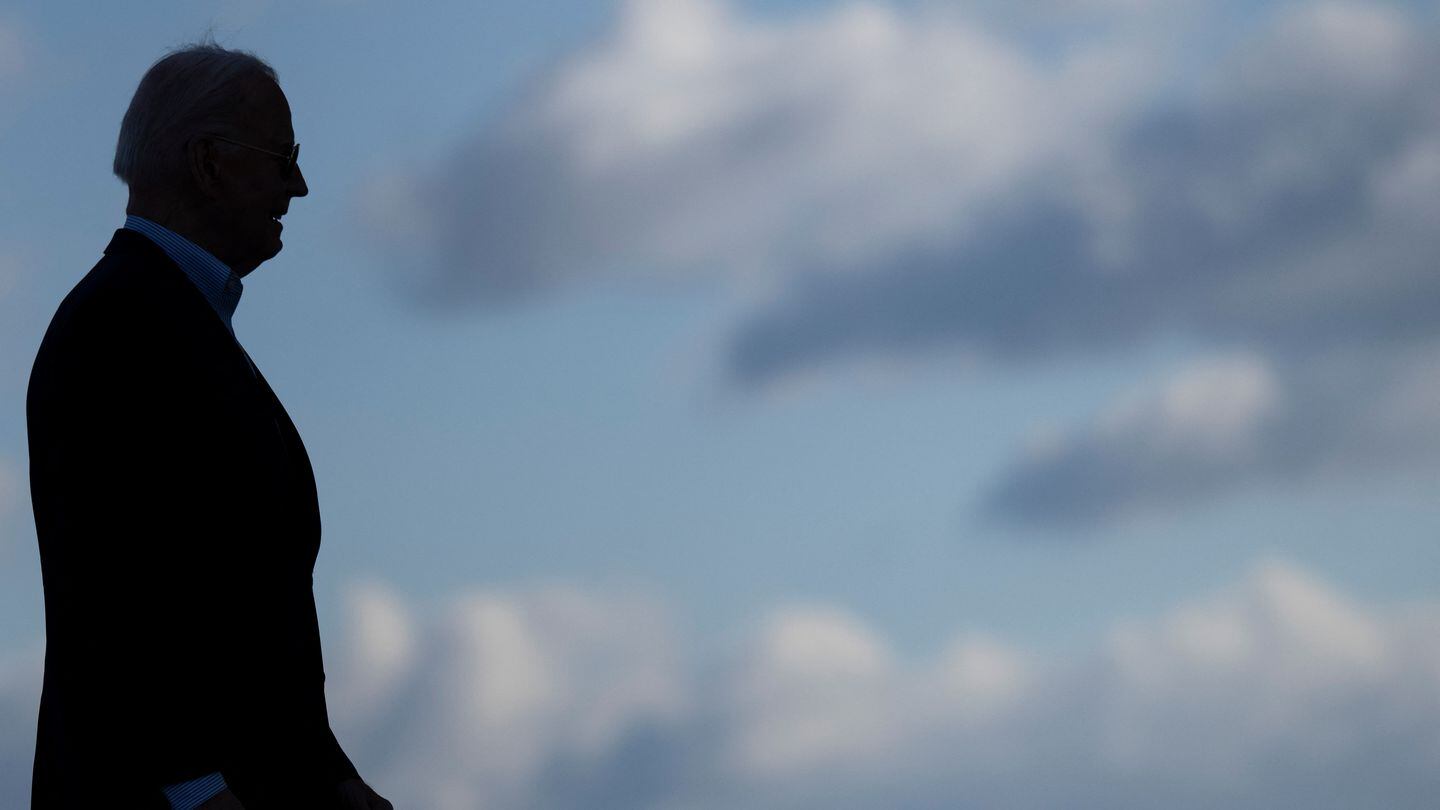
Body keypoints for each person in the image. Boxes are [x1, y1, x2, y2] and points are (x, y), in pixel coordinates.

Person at [26, 41, 393, 810]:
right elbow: (116, 593)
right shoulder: (118, 327)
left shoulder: (158, 319)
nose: (298, 183)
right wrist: (194, 787)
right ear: (209, 162)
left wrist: (331, 776)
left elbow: (255, 615)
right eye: (282, 155)